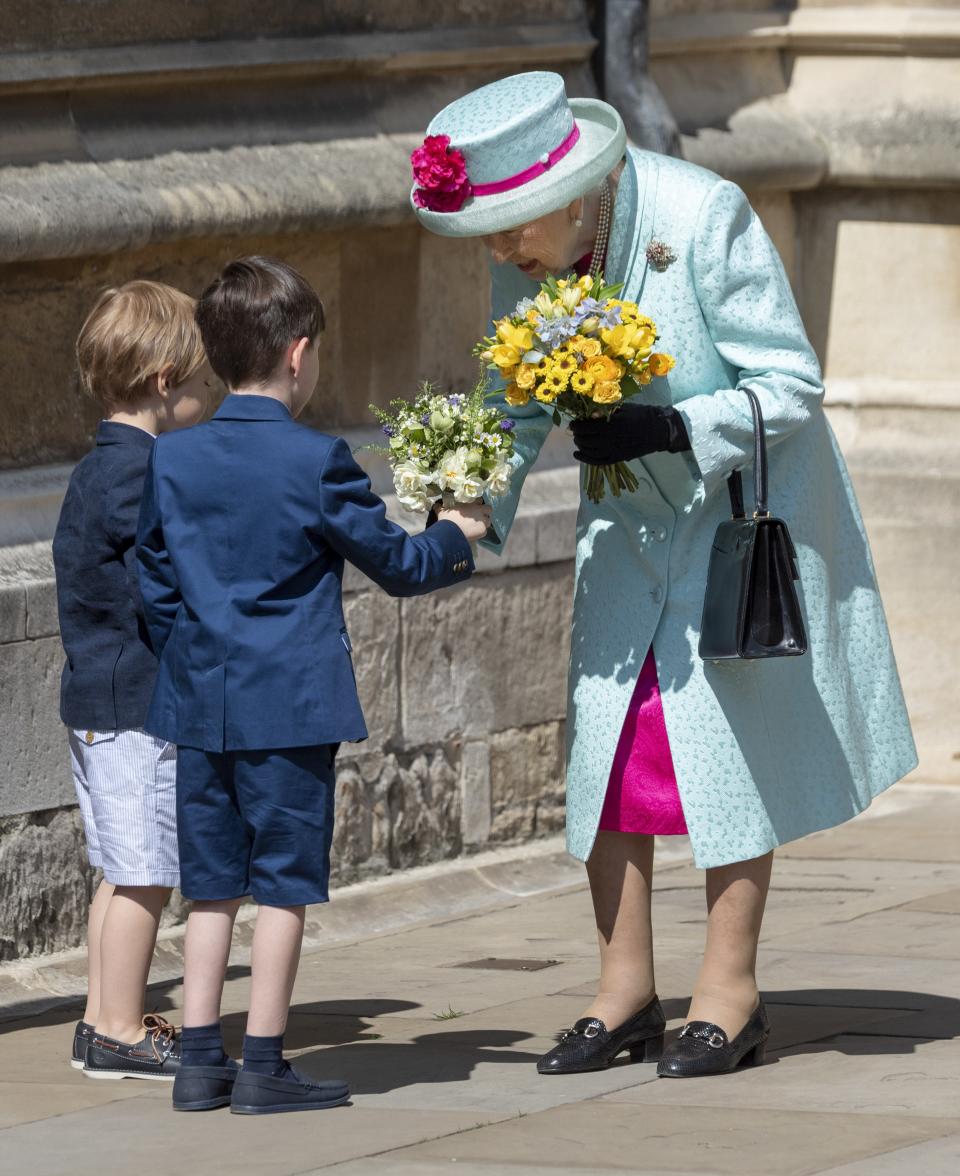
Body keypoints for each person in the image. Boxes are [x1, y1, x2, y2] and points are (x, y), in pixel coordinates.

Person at [411, 72, 917, 1078]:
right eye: (492, 236)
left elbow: (790, 385)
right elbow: (505, 400)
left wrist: (678, 423)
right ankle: (624, 990)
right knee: (611, 752)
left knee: (722, 752)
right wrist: (458, 515)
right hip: (625, 526)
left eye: (512, 231)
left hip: (731, 518)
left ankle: (728, 992)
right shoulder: (535, 250)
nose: (503, 254)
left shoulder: (703, 212)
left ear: (567, 193)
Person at [137, 256, 489, 1114]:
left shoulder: (173, 459)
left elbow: (151, 580)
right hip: (288, 705)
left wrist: (193, 651)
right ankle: (261, 1062)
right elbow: (399, 565)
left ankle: (197, 1064)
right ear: (299, 355)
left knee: (211, 885)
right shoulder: (316, 459)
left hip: (199, 699)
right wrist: (456, 532)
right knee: (286, 884)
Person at [53, 280, 211, 1079]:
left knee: (122, 870)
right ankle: (118, 1028)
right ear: (162, 381)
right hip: (131, 705)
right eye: (199, 380)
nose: (205, 395)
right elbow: (166, 587)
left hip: (102, 700)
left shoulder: (100, 465)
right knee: (145, 872)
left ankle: (99, 1018)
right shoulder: (137, 474)